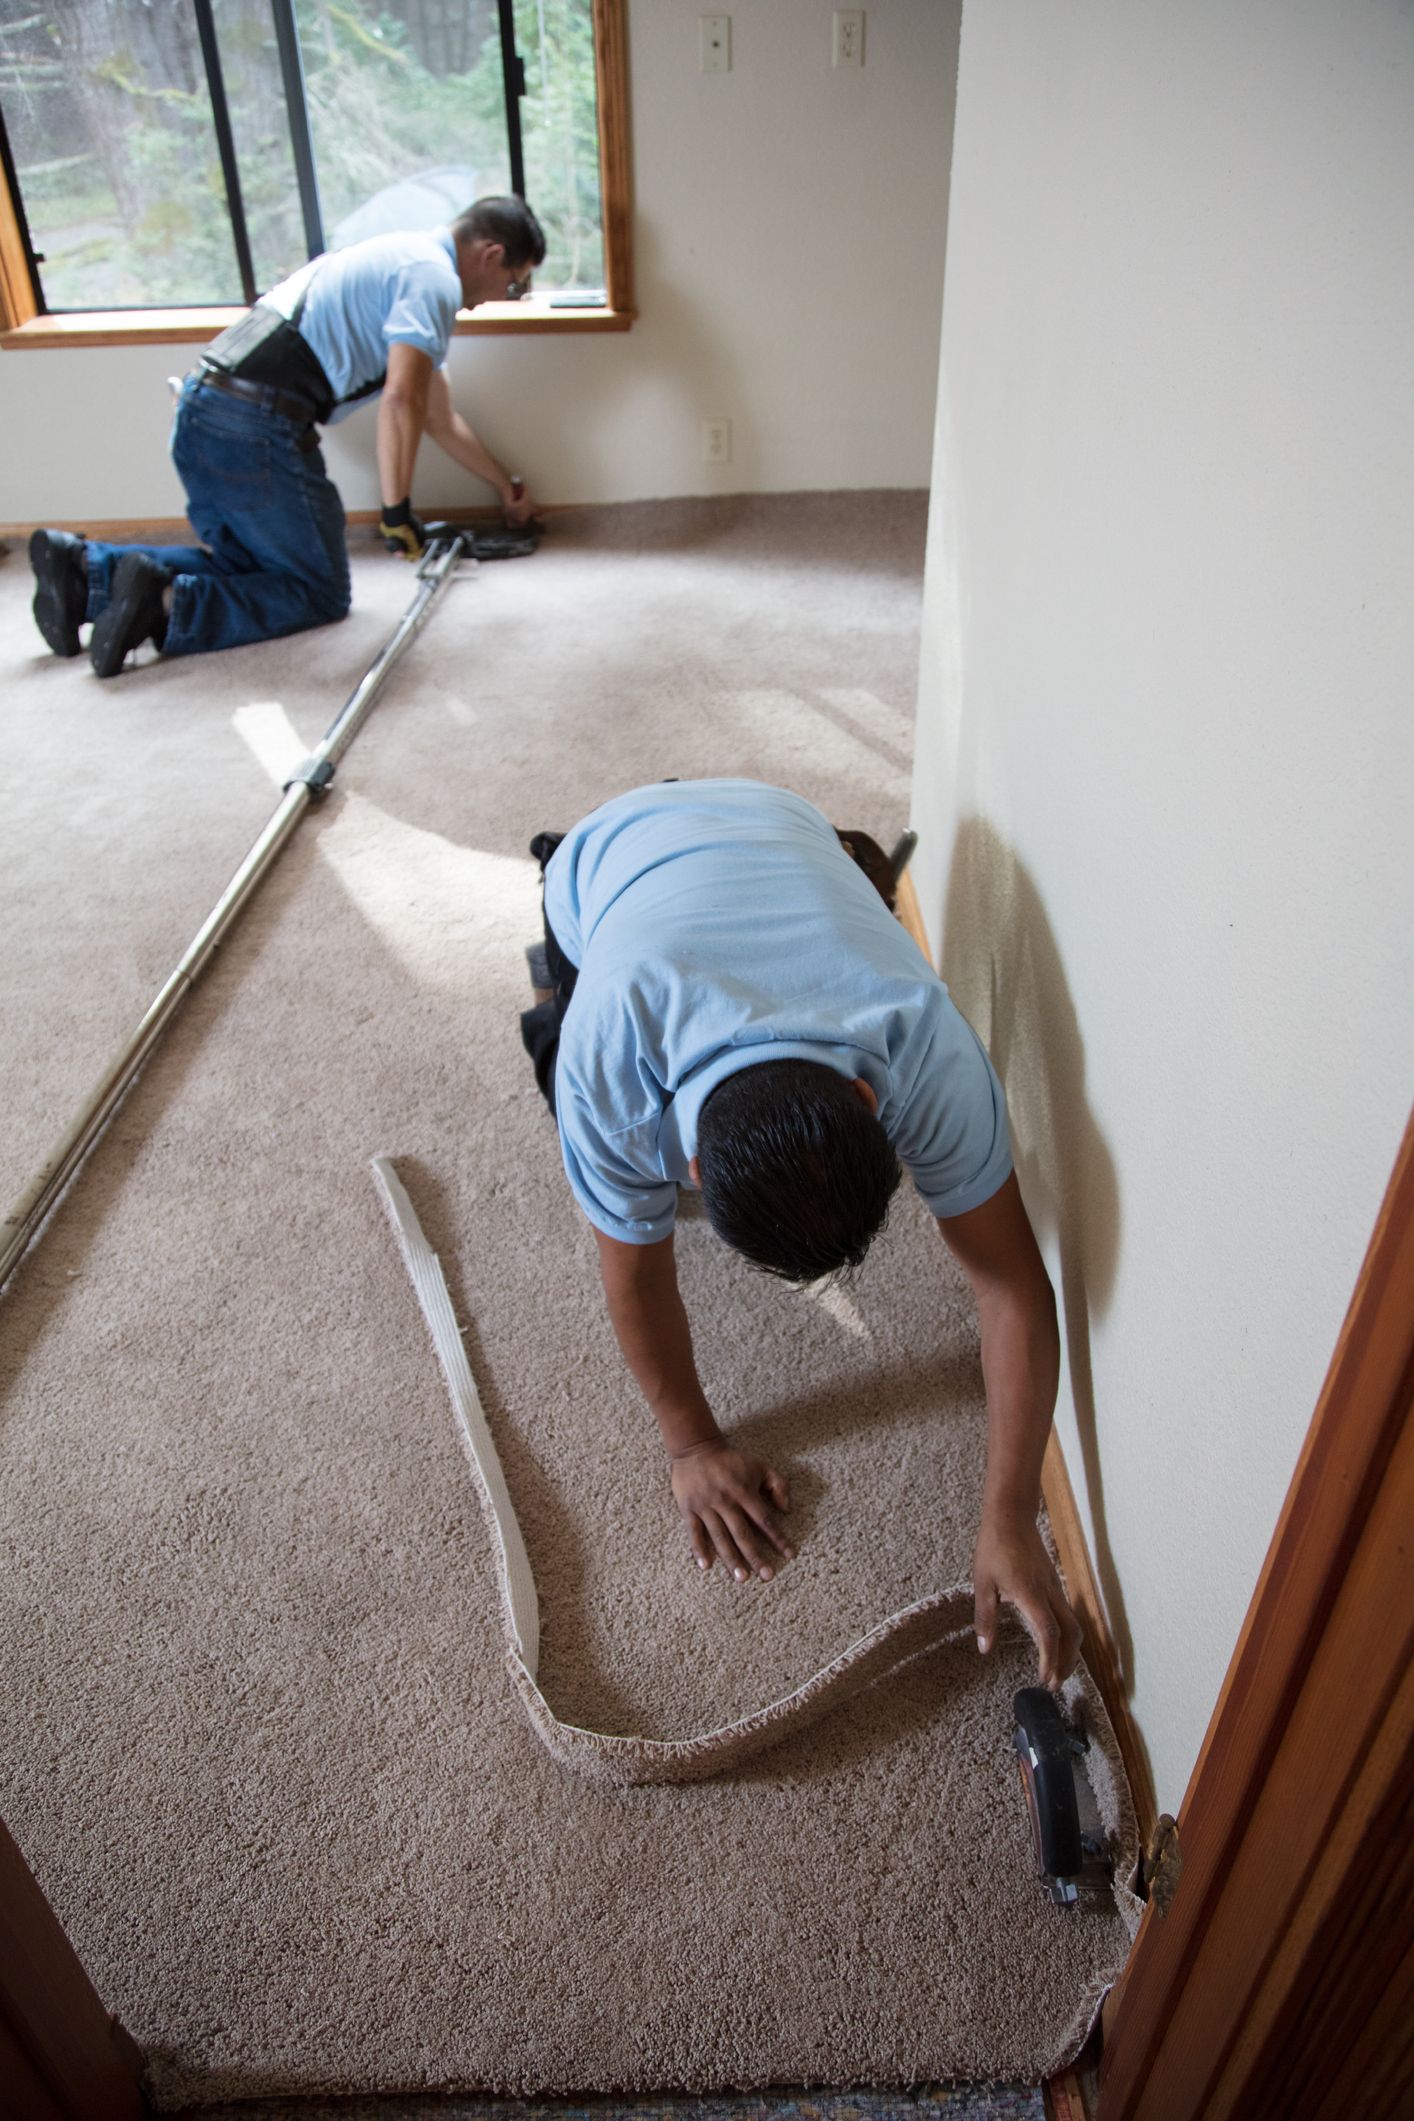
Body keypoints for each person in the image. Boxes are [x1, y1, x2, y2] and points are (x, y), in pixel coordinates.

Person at [520, 778, 1084, 1690]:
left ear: (871, 1099)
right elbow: (635, 1276)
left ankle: (834, 852)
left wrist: (1012, 1515)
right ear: (692, 1172)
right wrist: (690, 1444)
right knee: (552, 1066)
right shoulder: (608, 1058)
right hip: (606, 853)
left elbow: (1012, 1286)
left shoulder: (922, 1037)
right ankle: (554, 870)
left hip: (773, 813)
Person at [28, 194, 545, 678]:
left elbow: (437, 416)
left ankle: (82, 572)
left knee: (253, 565)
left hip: (203, 411)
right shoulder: (434, 281)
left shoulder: (400, 259)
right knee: (316, 591)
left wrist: (505, 486)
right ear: (491, 254)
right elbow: (401, 401)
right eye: (514, 283)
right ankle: (165, 608)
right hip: (254, 428)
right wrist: (395, 513)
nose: (505, 297)